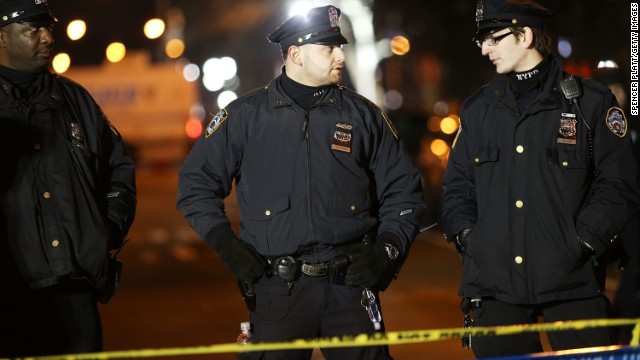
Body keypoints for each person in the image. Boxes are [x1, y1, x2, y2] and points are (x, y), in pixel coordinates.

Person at [177, 5, 425, 360]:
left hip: (351, 287)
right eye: (329, 48)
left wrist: (387, 251)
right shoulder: (245, 117)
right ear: (295, 54)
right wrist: (225, 244)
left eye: (340, 46)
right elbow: (195, 187)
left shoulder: (364, 116)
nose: (341, 54)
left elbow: (404, 192)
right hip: (279, 289)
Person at [441, 0, 640, 358]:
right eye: (481, 41)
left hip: (572, 282)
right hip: (494, 285)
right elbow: (457, 187)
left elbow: (620, 182)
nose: (485, 49)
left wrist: (581, 243)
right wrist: (472, 239)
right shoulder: (477, 109)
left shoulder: (590, 103)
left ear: (526, 35)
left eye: (493, 38)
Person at [0, 0, 136, 356]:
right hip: (11, 294)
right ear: (1, 36)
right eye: (33, 30)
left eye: (49, 29)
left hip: (76, 287)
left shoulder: (75, 100)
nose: (47, 38)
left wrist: (108, 229)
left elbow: (118, 168)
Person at [593, 64, 640, 344]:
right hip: (601, 214)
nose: (613, 96)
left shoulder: (631, 124)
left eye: (617, 90)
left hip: (631, 211)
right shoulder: (591, 122)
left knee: (634, 275)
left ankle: (620, 334)